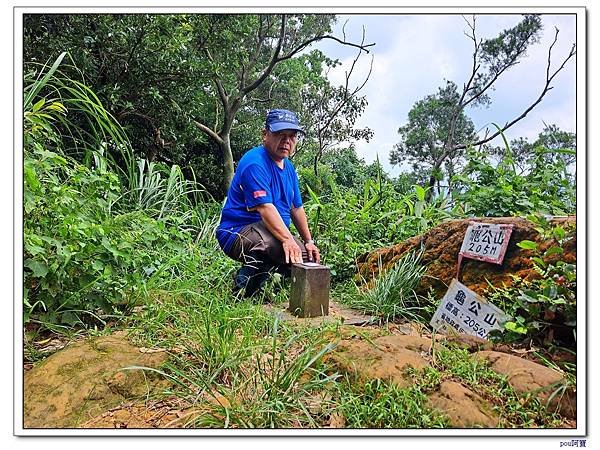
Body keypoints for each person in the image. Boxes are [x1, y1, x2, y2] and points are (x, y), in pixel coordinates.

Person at [216, 109, 321, 298]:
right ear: (265, 134)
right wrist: (288, 240)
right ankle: (241, 293)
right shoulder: (254, 163)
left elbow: (296, 208)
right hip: (236, 232)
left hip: (268, 232)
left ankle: (259, 287)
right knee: (275, 244)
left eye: (292, 136)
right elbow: (266, 209)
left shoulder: (289, 168)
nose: (286, 141)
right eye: (280, 135)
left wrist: (308, 241)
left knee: (307, 258)